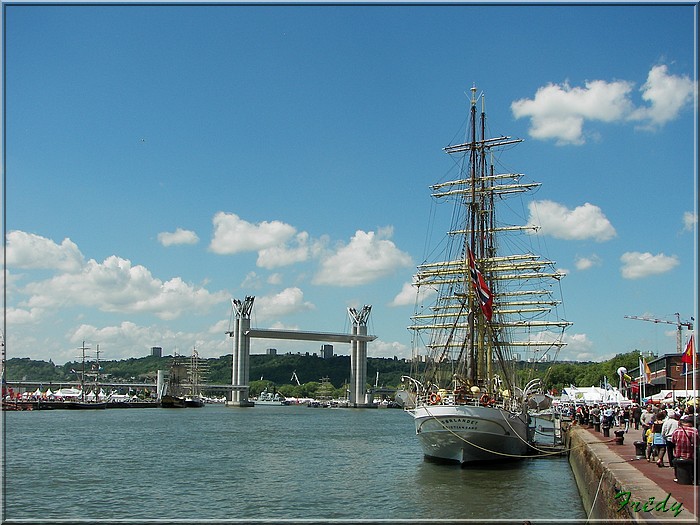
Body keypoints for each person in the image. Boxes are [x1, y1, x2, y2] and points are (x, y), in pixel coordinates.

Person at [671, 415, 698, 483]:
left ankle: (677, 477)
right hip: (691, 455)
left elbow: (673, 441)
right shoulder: (694, 431)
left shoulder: (677, 431)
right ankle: (693, 478)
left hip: (678, 454)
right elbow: (697, 442)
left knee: (675, 463)